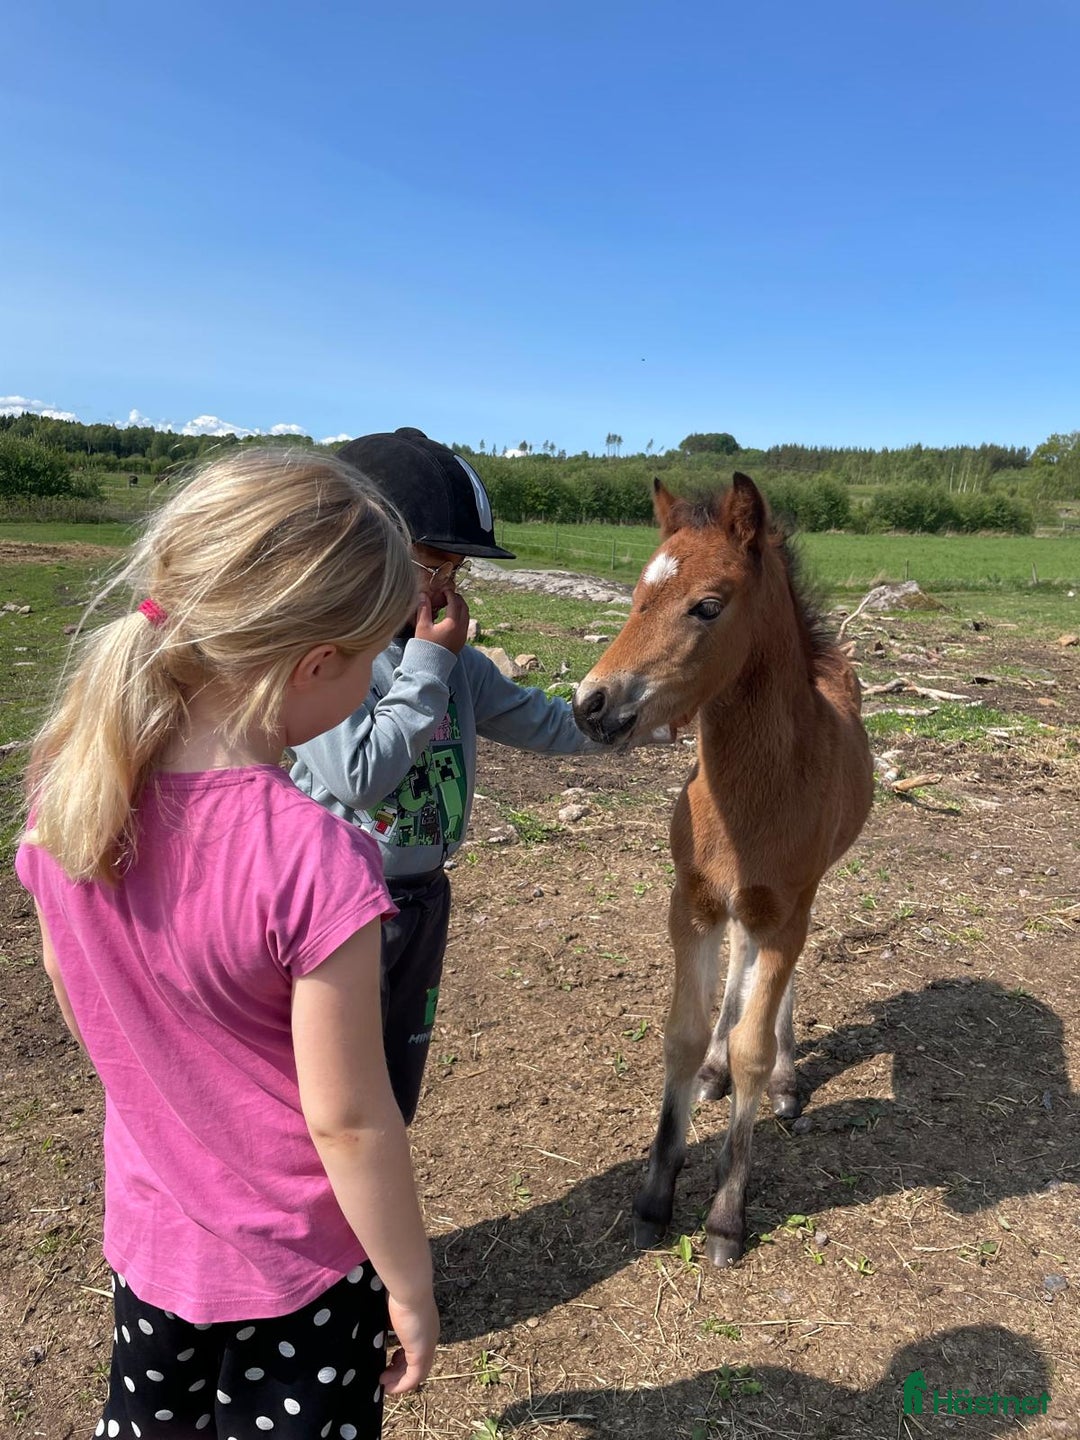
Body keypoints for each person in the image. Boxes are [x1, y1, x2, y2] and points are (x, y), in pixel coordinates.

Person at [16, 448, 438, 1440]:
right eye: (378, 654)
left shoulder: (70, 791)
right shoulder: (316, 860)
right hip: (297, 1266)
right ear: (314, 665)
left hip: (151, 1232)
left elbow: (64, 978)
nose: (379, 677)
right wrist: (411, 1286)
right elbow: (351, 1121)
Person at [291, 427, 600, 1125]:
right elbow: (359, 775)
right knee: (334, 1101)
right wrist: (429, 666)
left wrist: (638, 722)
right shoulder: (323, 663)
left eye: (457, 573)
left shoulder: (456, 666)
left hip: (422, 899)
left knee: (395, 1089)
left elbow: (543, 721)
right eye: (433, 568)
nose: (446, 590)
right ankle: (331, 1232)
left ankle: (373, 1228)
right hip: (342, 906)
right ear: (357, 554)